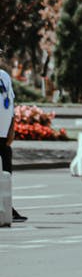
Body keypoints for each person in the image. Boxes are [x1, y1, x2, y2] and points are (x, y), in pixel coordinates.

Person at [0, 65, 26, 222]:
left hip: (2, 134)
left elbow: (10, 105)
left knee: (6, 173)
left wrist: (12, 128)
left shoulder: (4, 76)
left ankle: (6, 205)